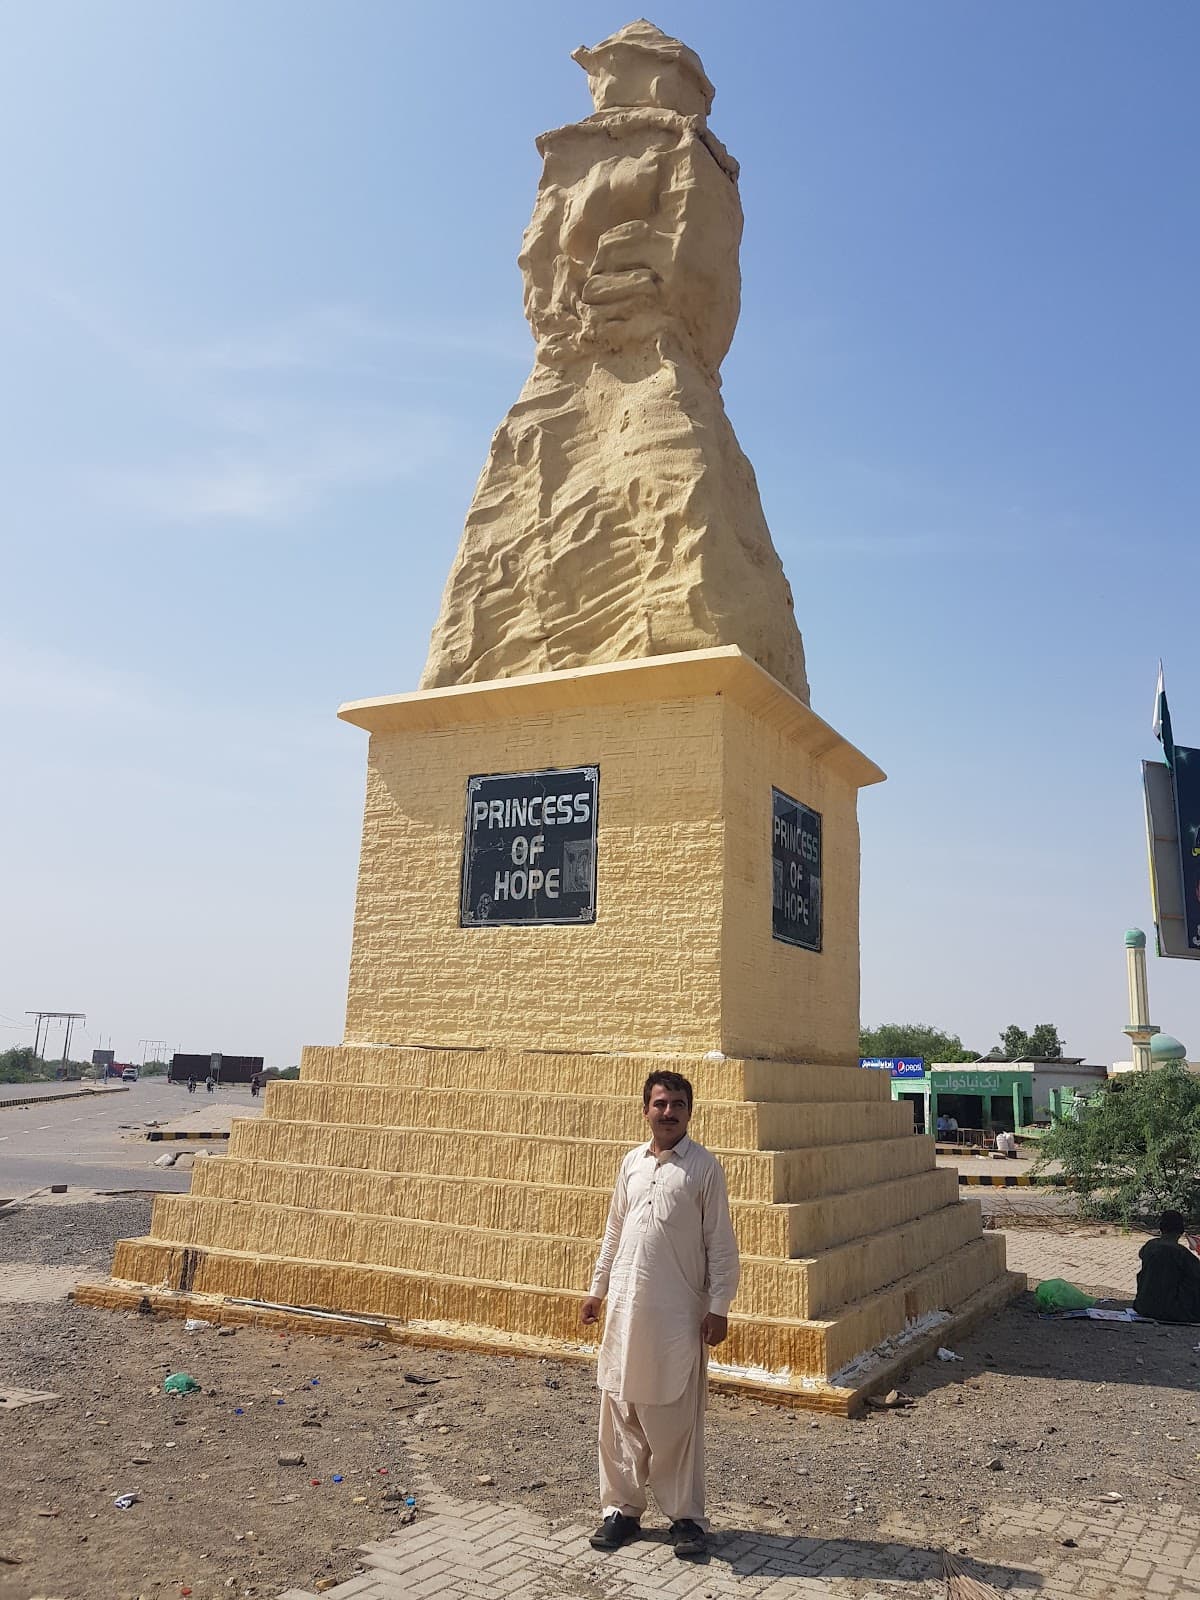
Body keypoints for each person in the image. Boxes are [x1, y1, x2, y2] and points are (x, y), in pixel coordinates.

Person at [580, 1070, 740, 1560]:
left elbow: (720, 1244)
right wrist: (596, 1291)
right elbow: (614, 1231)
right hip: (624, 1313)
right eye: (660, 1103)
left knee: (675, 1422)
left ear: (690, 1112)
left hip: (676, 1318)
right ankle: (621, 1512)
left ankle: (685, 1518)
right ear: (646, 1109)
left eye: (677, 1105)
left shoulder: (704, 1168)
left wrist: (718, 1308)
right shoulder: (631, 1163)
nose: (668, 1112)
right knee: (620, 1414)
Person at [1133, 1211, 1200, 1323]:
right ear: (1181, 1231)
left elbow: (1142, 1255)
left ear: (1161, 1228)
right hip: (1172, 1311)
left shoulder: (1150, 1245)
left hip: (1143, 1307)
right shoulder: (1182, 1253)